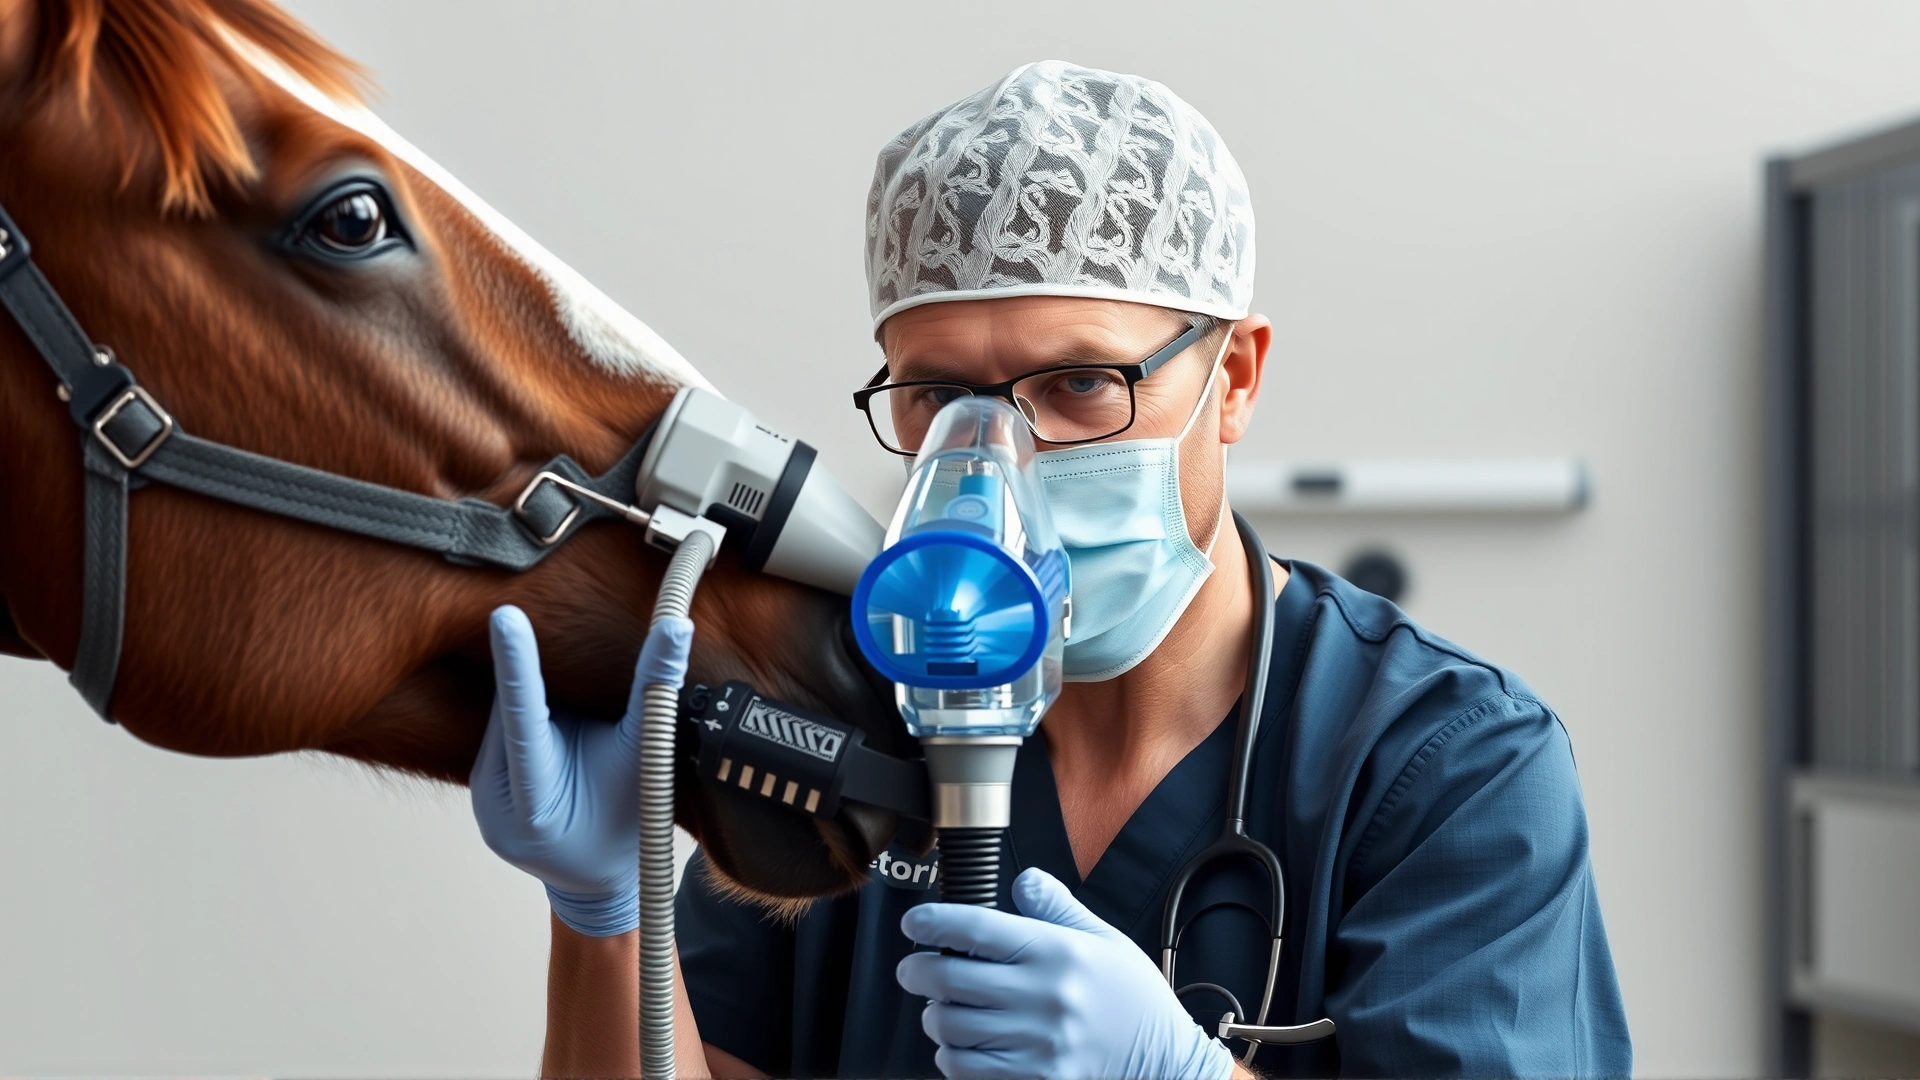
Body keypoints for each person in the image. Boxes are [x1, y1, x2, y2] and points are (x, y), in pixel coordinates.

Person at [470, 61, 1632, 1079]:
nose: (994, 460)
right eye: (936, 396)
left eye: (1080, 385)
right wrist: (606, 911)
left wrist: (1177, 1077)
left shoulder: (1447, 768)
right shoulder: (844, 716)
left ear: (1233, 380)